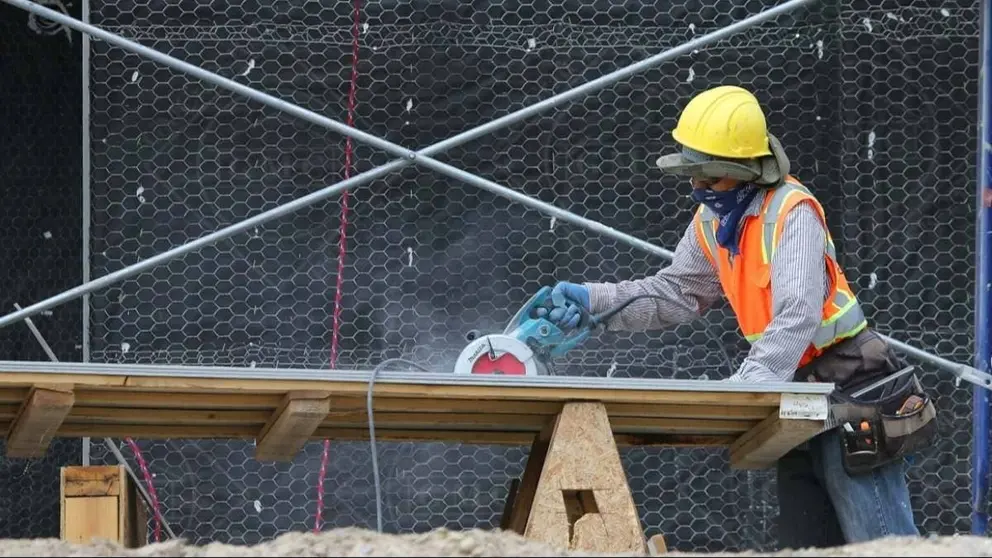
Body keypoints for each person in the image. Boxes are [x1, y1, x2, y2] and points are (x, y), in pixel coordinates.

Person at [535, 85, 933, 548]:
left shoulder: (792, 211)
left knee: (883, 543)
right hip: (795, 397)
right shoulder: (712, 220)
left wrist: (747, 388)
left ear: (745, 171)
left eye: (711, 178)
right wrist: (593, 302)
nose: (699, 188)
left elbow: (798, 313)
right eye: (695, 175)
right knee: (806, 545)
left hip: (851, 387)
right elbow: (675, 292)